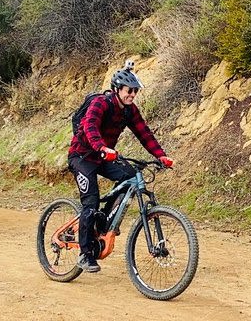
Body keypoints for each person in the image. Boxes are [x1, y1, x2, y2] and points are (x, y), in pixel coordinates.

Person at [68, 61, 174, 273]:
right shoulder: (100, 103)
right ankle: (85, 255)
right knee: (90, 203)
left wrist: (161, 156)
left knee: (131, 176)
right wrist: (101, 147)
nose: (132, 94)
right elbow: (89, 126)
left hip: (103, 157)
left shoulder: (129, 111)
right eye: (129, 90)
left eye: (135, 91)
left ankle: (103, 219)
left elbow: (144, 133)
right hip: (82, 156)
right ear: (118, 89)